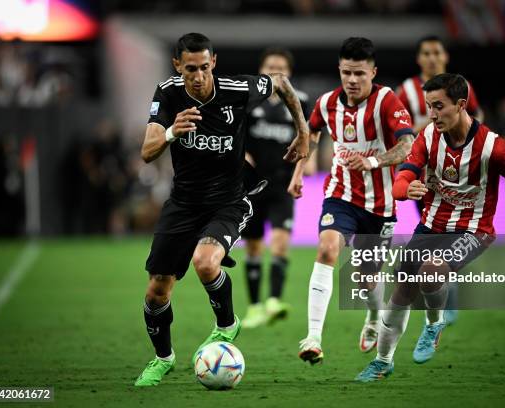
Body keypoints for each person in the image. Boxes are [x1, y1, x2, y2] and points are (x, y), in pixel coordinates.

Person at [135, 33, 309, 386]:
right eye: (189, 69)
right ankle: (163, 358)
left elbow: (281, 83)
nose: (197, 77)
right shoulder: (168, 92)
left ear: (213, 62)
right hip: (183, 203)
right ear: (177, 67)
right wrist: (171, 133)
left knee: (205, 261)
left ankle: (227, 324)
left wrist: (302, 130)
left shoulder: (238, 88)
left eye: (203, 67)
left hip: (230, 198)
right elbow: (147, 150)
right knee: (157, 291)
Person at [356, 73, 505, 382]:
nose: (433, 114)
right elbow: (403, 177)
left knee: (432, 270)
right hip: (430, 227)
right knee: (401, 292)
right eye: (429, 106)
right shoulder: (427, 137)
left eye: (439, 106)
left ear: (461, 105)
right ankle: (383, 362)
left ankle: (433, 324)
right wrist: (405, 189)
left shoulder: (492, 146)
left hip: (473, 231)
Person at [289, 37, 415, 365]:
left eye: (359, 73)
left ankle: (373, 317)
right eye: (347, 72)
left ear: (373, 72)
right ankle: (313, 336)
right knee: (327, 249)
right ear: (339, 71)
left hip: (381, 205)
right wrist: (299, 171)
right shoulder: (327, 103)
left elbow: (407, 146)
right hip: (340, 196)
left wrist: (373, 162)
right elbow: (311, 134)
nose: (352, 80)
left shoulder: (388, 102)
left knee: (366, 277)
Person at [397, 35, 484, 324]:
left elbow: (477, 121)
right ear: (419, 59)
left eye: (436, 52)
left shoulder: (462, 88)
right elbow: (398, 130)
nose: (432, 57)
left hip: (460, 178)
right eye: (426, 53)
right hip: (425, 179)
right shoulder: (406, 92)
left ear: (445, 56)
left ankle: (444, 300)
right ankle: (441, 297)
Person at [241, 48, 312, 329]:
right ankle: (255, 307)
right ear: (260, 69)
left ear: (290, 74)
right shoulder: (248, 101)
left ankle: (273, 300)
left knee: (281, 242)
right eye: (270, 67)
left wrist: (302, 171)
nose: (275, 72)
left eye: (281, 68)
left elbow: (309, 140)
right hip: (253, 185)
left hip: (282, 185)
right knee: (254, 246)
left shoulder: (301, 102)